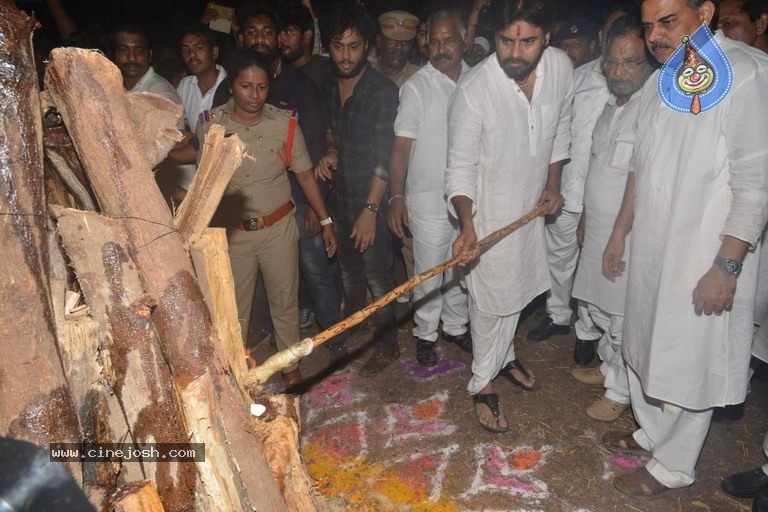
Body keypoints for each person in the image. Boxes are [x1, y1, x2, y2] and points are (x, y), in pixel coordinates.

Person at [600, 0, 768, 498]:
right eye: (649, 25)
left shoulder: (745, 73)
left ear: (705, 11)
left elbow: (756, 183)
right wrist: (618, 232)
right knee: (645, 345)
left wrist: (727, 265)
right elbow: (641, 167)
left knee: (693, 357)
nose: (655, 36)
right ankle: (652, 434)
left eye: (668, 22)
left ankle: (674, 465)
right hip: (653, 249)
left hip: (704, 252)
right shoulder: (662, 79)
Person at [446, 0, 573, 433]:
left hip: (530, 211)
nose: (515, 52)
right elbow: (459, 167)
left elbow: (560, 131)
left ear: (547, 38)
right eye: (505, 41)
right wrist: (467, 224)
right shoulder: (474, 88)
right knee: (489, 300)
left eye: (528, 41)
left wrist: (553, 183)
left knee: (517, 292)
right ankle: (483, 382)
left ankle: (505, 355)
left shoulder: (560, 68)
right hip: (488, 213)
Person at [197, 48, 337, 390]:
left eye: (261, 87)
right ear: (232, 86)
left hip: (278, 228)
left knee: (285, 301)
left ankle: (288, 365)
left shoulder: (284, 124)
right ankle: (236, 368)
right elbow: (206, 183)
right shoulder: (211, 125)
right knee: (235, 306)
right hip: (235, 234)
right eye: (246, 86)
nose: (255, 95)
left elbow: (305, 176)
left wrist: (326, 220)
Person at [526, 3, 632, 366]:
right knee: (559, 257)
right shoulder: (578, 77)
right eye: (611, 33)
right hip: (570, 188)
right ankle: (558, 316)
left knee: (598, 265)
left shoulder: (641, 83)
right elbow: (557, 130)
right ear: (603, 38)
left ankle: (588, 332)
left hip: (610, 198)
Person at [570, 14, 654, 422]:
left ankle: (621, 391)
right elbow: (598, 166)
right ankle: (607, 369)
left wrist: (620, 234)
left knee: (621, 316)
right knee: (597, 308)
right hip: (600, 226)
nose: (620, 72)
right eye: (613, 62)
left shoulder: (651, 110)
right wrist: (587, 214)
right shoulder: (610, 106)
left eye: (631, 62)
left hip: (627, 233)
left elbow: (640, 181)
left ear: (649, 62)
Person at [317, 1, 400, 377]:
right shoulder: (328, 87)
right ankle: (358, 325)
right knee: (350, 272)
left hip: (373, 202)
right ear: (328, 46)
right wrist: (330, 151)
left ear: (366, 45)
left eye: (353, 46)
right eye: (338, 46)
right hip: (341, 197)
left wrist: (371, 211)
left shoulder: (382, 90)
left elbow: (386, 156)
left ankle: (388, 344)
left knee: (379, 276)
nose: (345, 55)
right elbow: (331, 130)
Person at [387, 9, 471, 368]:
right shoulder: (417, 87)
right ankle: (425, 333)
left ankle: (455, 326)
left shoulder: (478, 80)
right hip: (427, 196)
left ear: (464, 39)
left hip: (468, 194)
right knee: (430, 271)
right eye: (433, 41)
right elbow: (400, 148)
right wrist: (396, 197)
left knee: (461, 267)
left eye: (448, 39)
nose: (440, 48)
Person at [278, 2, 332, 88]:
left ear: (307, 36)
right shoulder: (278, 71)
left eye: (288, 32)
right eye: (278, 33)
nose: (281, 39)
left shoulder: (327, 71)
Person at [371, 10, 421, 87]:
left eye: (405, 42)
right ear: (379, 40)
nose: (399, 47)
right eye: (392, 40)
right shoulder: (363, 73)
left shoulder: (420, 79)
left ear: (412, 45)